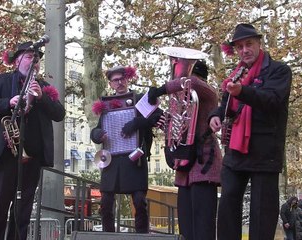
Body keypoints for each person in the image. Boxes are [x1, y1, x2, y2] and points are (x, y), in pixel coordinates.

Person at [208, 23, 293, 240]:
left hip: (265, 152)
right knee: (227, 204)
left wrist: (243, 91)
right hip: (236, 151)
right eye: (239, 47)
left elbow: (272, 100)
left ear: (259, 44)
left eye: (249, 44)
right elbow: (225, 104)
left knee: (262, 212)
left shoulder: (279, 70)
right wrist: (215, 116)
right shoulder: (236, 74)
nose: (244, 50)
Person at [0, 41, 65, 240]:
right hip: (3, 155)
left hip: (31, 157)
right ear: (17, 61)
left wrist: (42, 97)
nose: (34, 62)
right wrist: (8, 102)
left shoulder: (45, 88)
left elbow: (59, 114)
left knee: (22, 213)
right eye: (29, 57)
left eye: (37, 59)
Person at [148, 60, 222, 240]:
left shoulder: (208, 91)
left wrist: (161, 89)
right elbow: (177, 128)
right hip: (184, 169)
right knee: (186, 226)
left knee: (203, 224)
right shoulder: (182, 99)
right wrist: (160, 119)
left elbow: (192, 83)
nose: (181, 81)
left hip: (204, 163)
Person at [90, 65, 162, 233]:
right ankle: (108, 235)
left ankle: (142, 236)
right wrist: (97, 134)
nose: (120, 82)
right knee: (106, 202)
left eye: (122, 78)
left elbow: (158, 117)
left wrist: (137, 122)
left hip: (134, 158)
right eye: (115, 80)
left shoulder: (139, 100)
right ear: (110, 83)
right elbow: (96, 130)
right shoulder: (106, 105)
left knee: (139, 201)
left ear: (128, 79)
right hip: (111, 160)